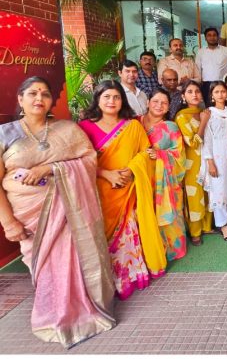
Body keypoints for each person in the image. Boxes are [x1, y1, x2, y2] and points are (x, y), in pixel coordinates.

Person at [0, 77, 115, 348]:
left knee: (72, 259)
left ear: (52, 100)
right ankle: (53, 316)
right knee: (43, 267)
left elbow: (88, 160)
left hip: (69, 209)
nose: (39, 98)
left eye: (45, 94)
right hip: (28, 213)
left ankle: (81, 310)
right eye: (32, 93)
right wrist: (7, 221)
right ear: (20, 99)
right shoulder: (4, 134)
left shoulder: (67, 129)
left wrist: (51, 168)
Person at [79, 80, 166, 298]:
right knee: (101, 236)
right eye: (107, 97)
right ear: (97, 99)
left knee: (129, 234)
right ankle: (105, 284)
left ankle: (130, 277)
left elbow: (146, 152)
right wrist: (106, 174)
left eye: (116, 97)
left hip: (128, 190)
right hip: (100, 190)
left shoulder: (132, 126)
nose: (112, 101)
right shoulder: (85, 127)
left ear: (122, 100)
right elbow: (79, 162)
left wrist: (132, 168)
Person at [141, 88, 187, 260]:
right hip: (143, 178)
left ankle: (172, 250)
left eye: (164, 103)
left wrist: (160, 155)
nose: (159, 105)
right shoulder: (135, 124)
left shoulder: (171, 127)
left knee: (170, 215)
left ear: (168, 107)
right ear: (148, 102)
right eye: (155, 101)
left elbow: (180, 155)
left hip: (166, 181)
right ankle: (151, 252)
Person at [200, 81, 227, 242]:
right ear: (211, 95)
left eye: (223, 91)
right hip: (217, 157)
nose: (220, 94)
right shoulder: (209, 113)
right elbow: (206, 139)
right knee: (219, 190)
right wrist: (210, 162)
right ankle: (222, 224)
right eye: (216, 92)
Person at [175, 81, 210, 246]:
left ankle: (207, 226)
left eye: (197, 91)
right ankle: (195, 231)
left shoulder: (204, 112)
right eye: (190, 92)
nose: (194, 94)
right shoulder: (181, 116)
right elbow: (193, 142)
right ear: (183, 96)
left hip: (206, 159)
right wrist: (203, 122)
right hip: (191, 163)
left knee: (207, 192)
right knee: (194, 196)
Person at [196, 26, 227, 105]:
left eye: (214, 35)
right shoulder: (200, 52)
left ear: (218, 37)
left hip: (222, 82)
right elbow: (198, 69)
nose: (212, 37)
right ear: (205, 38)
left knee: (224, 105)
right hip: (206, 85)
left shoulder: (226, 51)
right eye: (209, 35)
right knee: (209, 106)